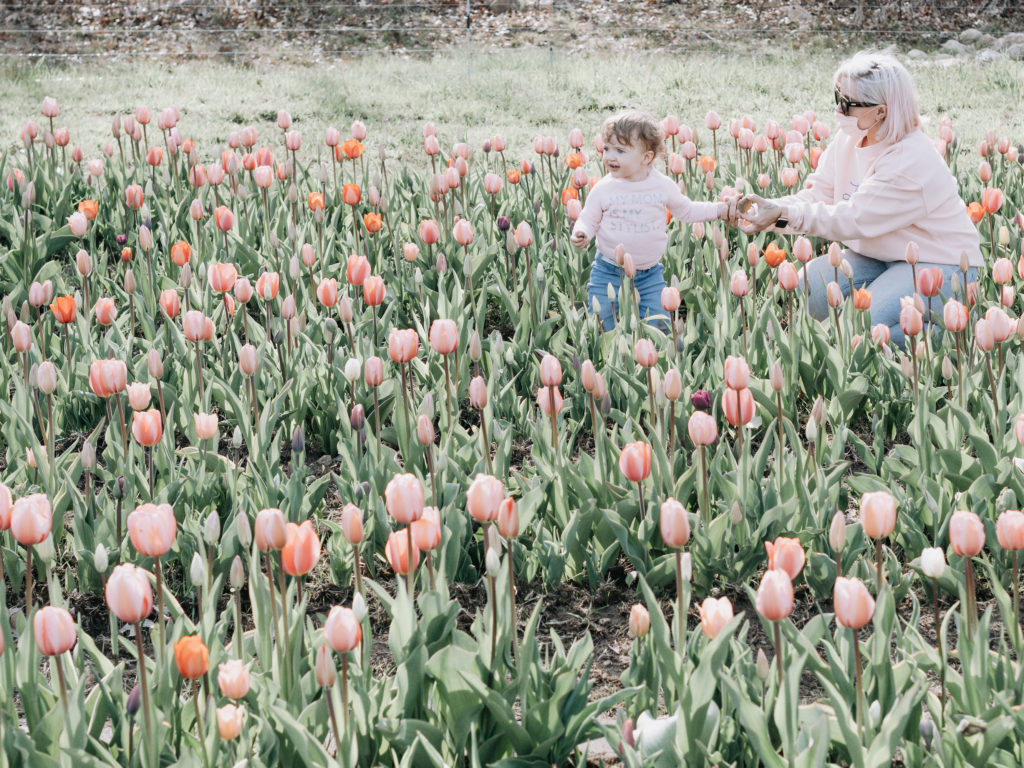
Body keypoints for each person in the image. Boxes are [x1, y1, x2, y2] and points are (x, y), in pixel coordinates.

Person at [736, 51, 982, 348]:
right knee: (808, 288)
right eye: (837, 97)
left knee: (864, 327)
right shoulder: (851, 137)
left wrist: (780, 214)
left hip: (939, 263)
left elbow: (853, 219)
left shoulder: (911, 161)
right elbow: (819, 194)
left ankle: (954, 333)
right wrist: (767, 210)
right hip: (880, 256)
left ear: (881, 111)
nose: (838, 111)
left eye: (847, 104)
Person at [571, 109, 731, 331]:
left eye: (620, 150)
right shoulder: (604, 188)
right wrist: (582, 232)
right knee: (602, 321)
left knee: (659, 323)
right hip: (608, 271)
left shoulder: (662, 185)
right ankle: (607, 357)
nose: (609, 156)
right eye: (607, 148)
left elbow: (686, 211)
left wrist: (719, 210)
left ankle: (656, 358)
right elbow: (588, 218)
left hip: (649, 274)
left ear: (646, 157)